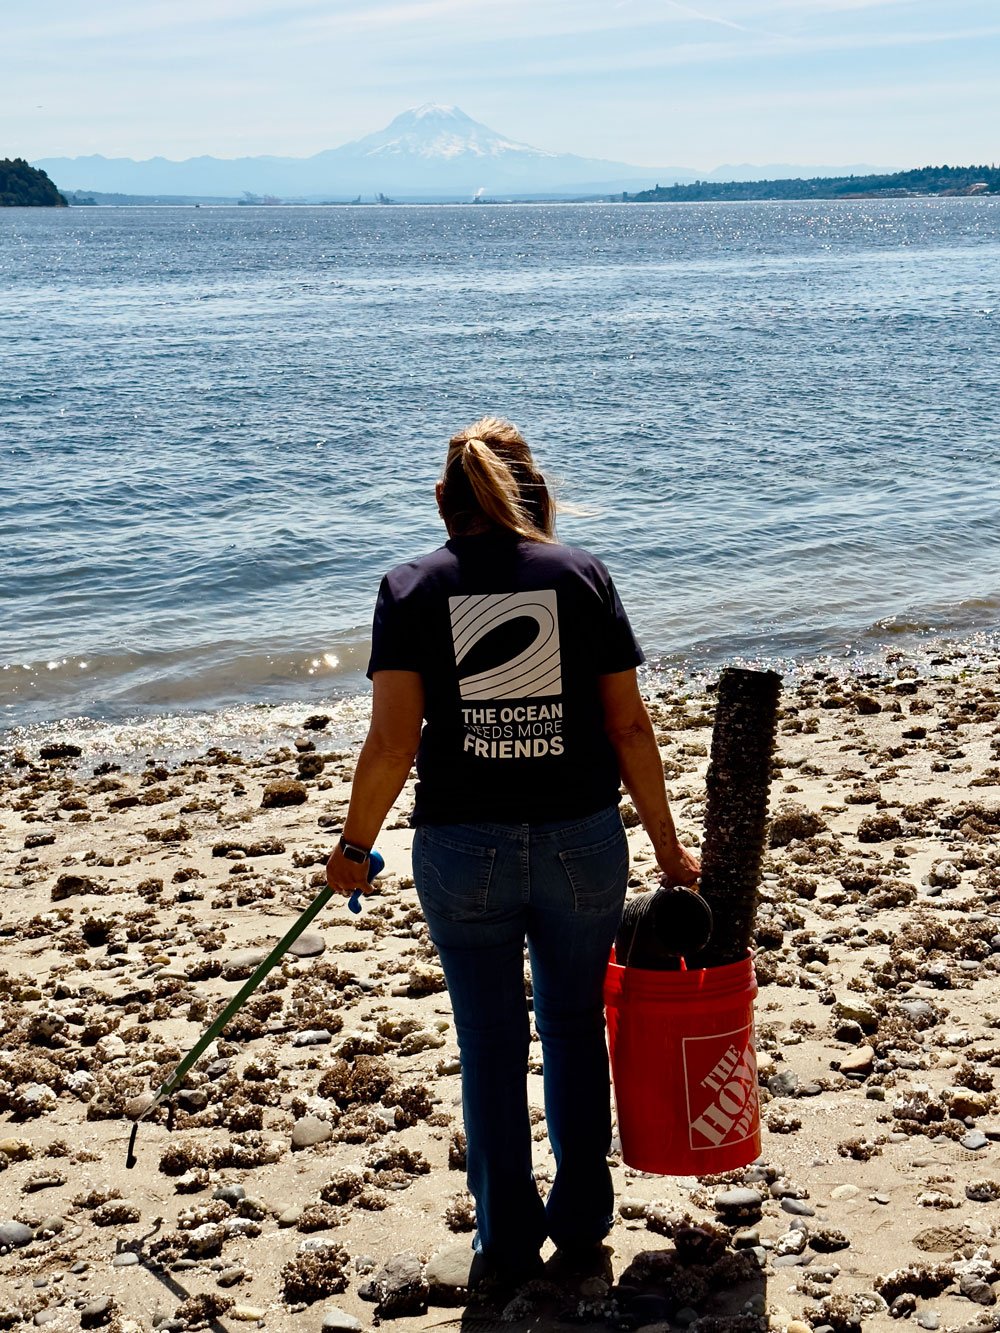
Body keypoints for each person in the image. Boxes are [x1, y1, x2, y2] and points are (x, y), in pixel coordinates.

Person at [326, 417, 700, 1284]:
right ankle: (580, 1226)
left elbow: (391, 743)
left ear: (439, 502)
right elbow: (629, 726)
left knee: (490, 1043)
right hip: (582, 841)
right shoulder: (582, 576)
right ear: (530, 495)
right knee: (573, 1030)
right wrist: (670, 849)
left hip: (463, 850)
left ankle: (502, 1238)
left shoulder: (410, 588)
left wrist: (355, 846)